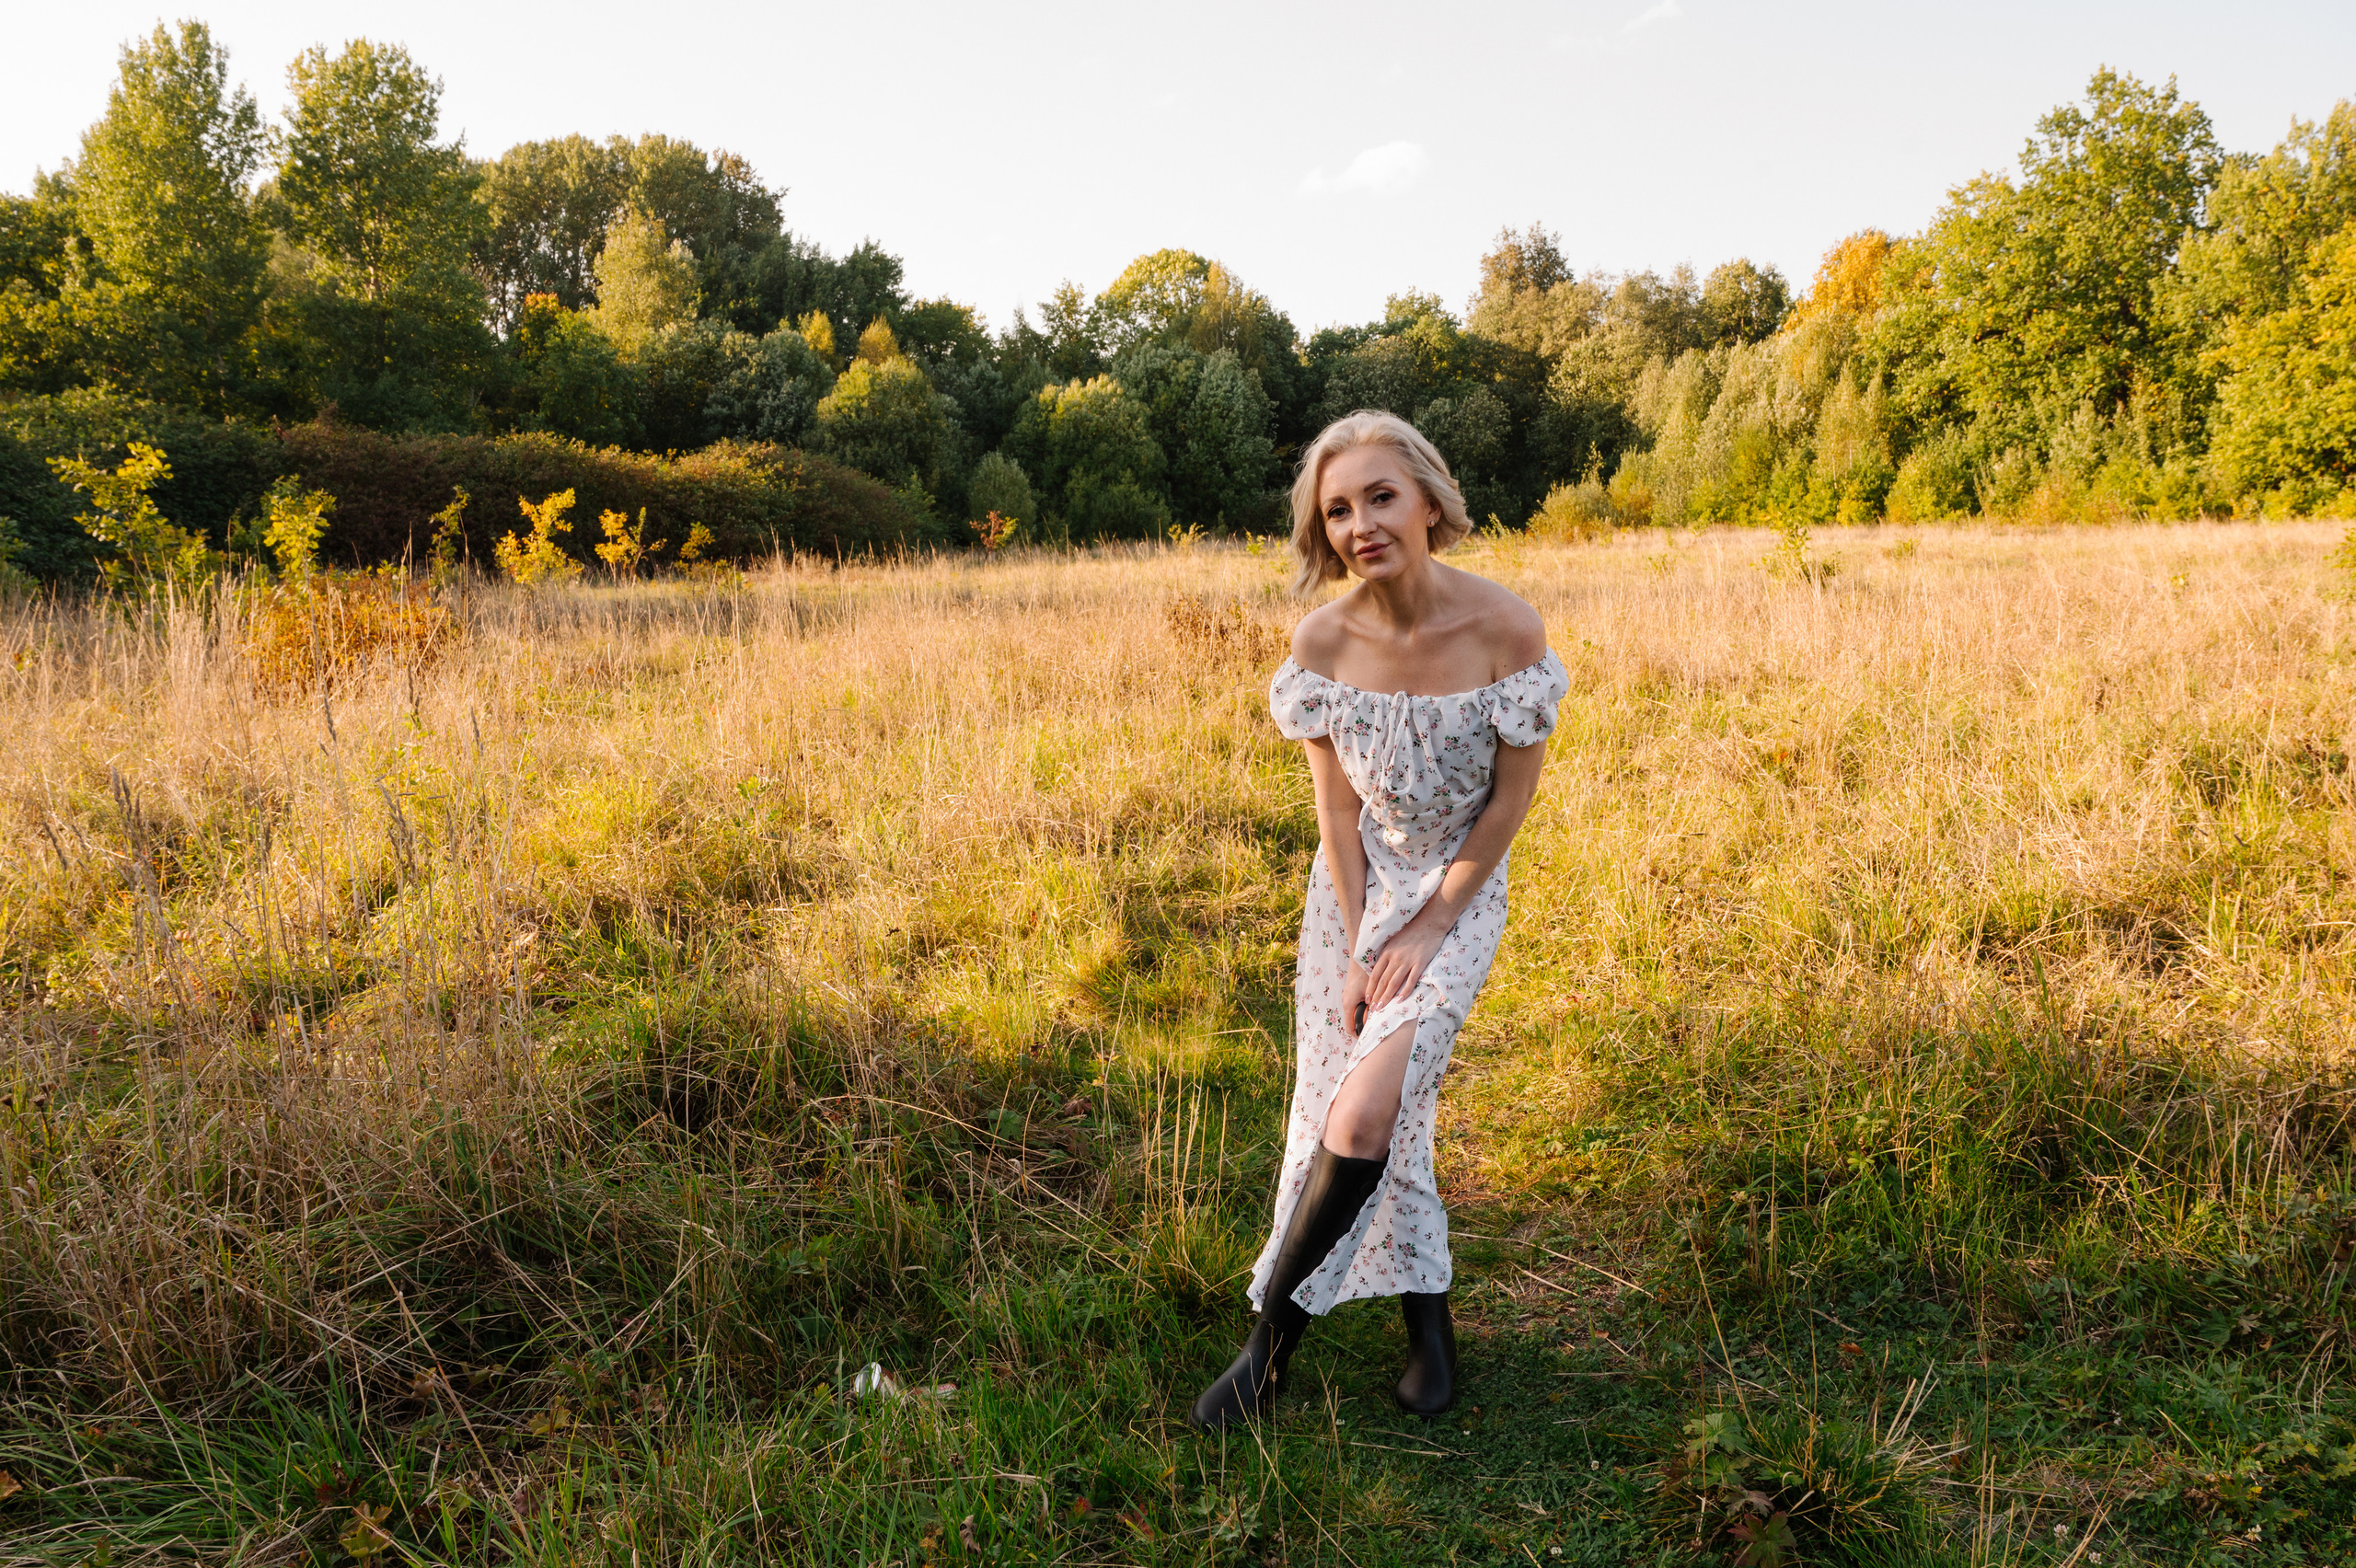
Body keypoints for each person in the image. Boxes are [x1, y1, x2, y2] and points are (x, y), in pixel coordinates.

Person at [1189, 410, 1566, 1429]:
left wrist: (1427, 929)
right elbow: (1336, 811)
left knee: (1360, 1118)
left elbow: (1506, 808)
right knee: (1345, 1108)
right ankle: (1429, 1332)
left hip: (1457, 894)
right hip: (1351, 897)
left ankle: (1266, 1349)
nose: (1361, 523)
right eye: (1339, 509)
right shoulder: (1322, 640)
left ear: (1431, 502)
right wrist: (1364, 945)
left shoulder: (1506, 630)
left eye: (1381, 497)